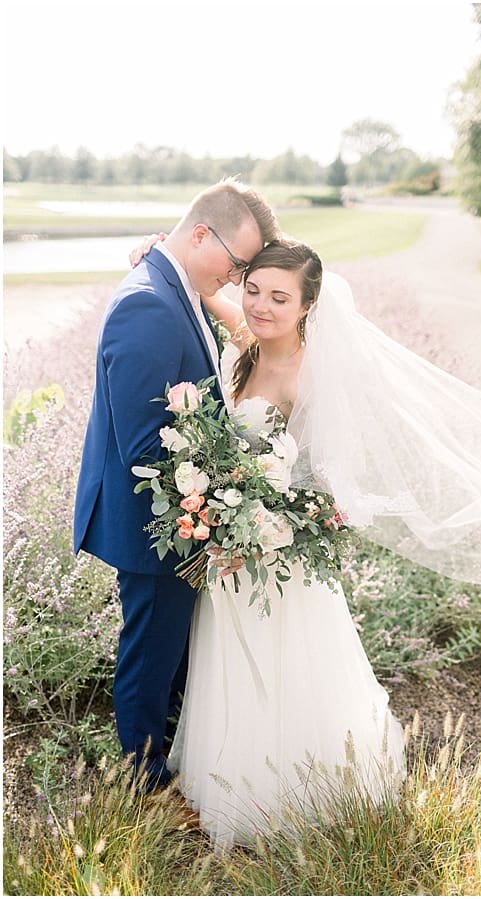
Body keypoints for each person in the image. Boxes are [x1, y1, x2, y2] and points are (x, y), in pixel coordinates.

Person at [127, 235, 481, 848]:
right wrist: (154, 252)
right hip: (230, 560)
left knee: (289, 674)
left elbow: (332, 493)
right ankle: (229, 783)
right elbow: (206, 287)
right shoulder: (248, 344)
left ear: (307, 309)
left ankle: (295, 797)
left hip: (276, 562)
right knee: (232, 671)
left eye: (279, 297)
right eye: (254, 290)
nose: (261, 305)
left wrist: (261, 533)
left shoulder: (310, 375)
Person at [74, 179, 278, 793]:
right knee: (151, 654)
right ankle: (143, 785)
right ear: (198, 235)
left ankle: (165, 761)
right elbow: (145, 448)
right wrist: (227, 497)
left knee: (172, 653)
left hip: (183, 518)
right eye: (238, 264)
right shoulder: (147, 303)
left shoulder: (177, 287)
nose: (240, 279)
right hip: (155, 525)